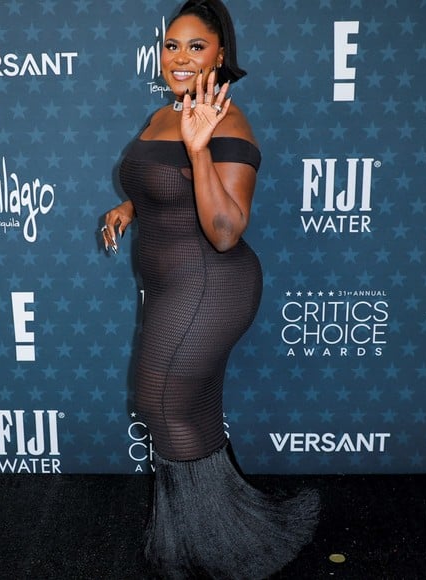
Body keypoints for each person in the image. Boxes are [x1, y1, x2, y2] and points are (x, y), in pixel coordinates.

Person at [101, 0, 319, 577]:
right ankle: (220, 531)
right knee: (188, 408)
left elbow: (224, 230)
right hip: (171, 284)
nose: (180, 57)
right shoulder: (163, 114)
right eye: (171, 45)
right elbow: (160, 183)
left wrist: (199, 151)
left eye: (196, 46)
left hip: (210, 283)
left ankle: (212, 548)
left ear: (221, 54)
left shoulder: (228, 121)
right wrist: (129, 207)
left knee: (161, 401)